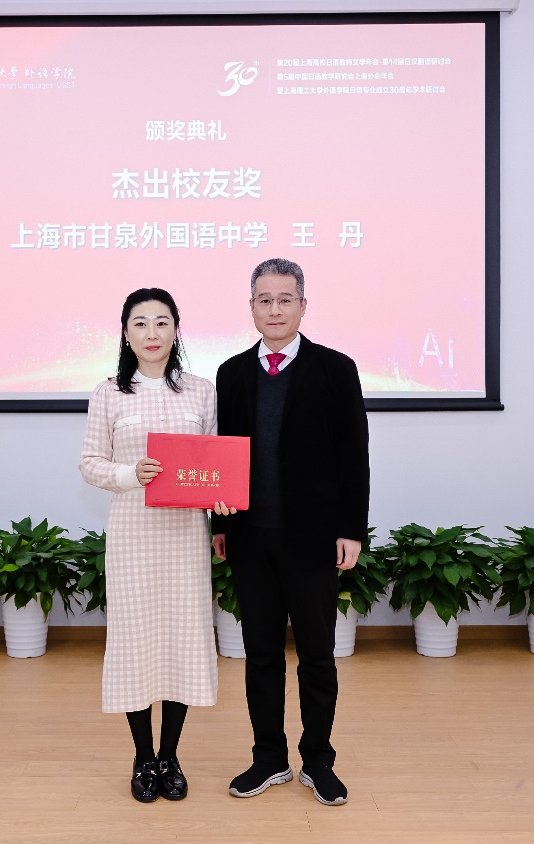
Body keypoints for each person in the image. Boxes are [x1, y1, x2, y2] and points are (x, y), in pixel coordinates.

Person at [211, 258, 370, 807]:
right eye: (264, 300)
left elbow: (354, 455)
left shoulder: (336, 369)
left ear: (303, 305)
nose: (274, 309)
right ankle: (269, 758)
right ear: (251, 307)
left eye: (285, 299)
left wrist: (350, 529)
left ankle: (318, 760)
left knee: (317, 656)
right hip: (250, 538)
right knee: (260, 655)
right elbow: (222, 456)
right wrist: (220, 524)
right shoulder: (231, 373)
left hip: (314, 539)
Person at [79, 287, 221, 803]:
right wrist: (128, 474)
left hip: (184, 536)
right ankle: (142, 757)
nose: (152, 333)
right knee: (135, 642)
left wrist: (222, 495)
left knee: (183, 639)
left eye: (162, 322)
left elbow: (216, 462)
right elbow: (90, 462)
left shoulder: (201, 391)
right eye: (140, 323)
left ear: (176, 330)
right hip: (133, 533)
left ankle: (170, 755)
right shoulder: (109, 393)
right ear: (125, 333)